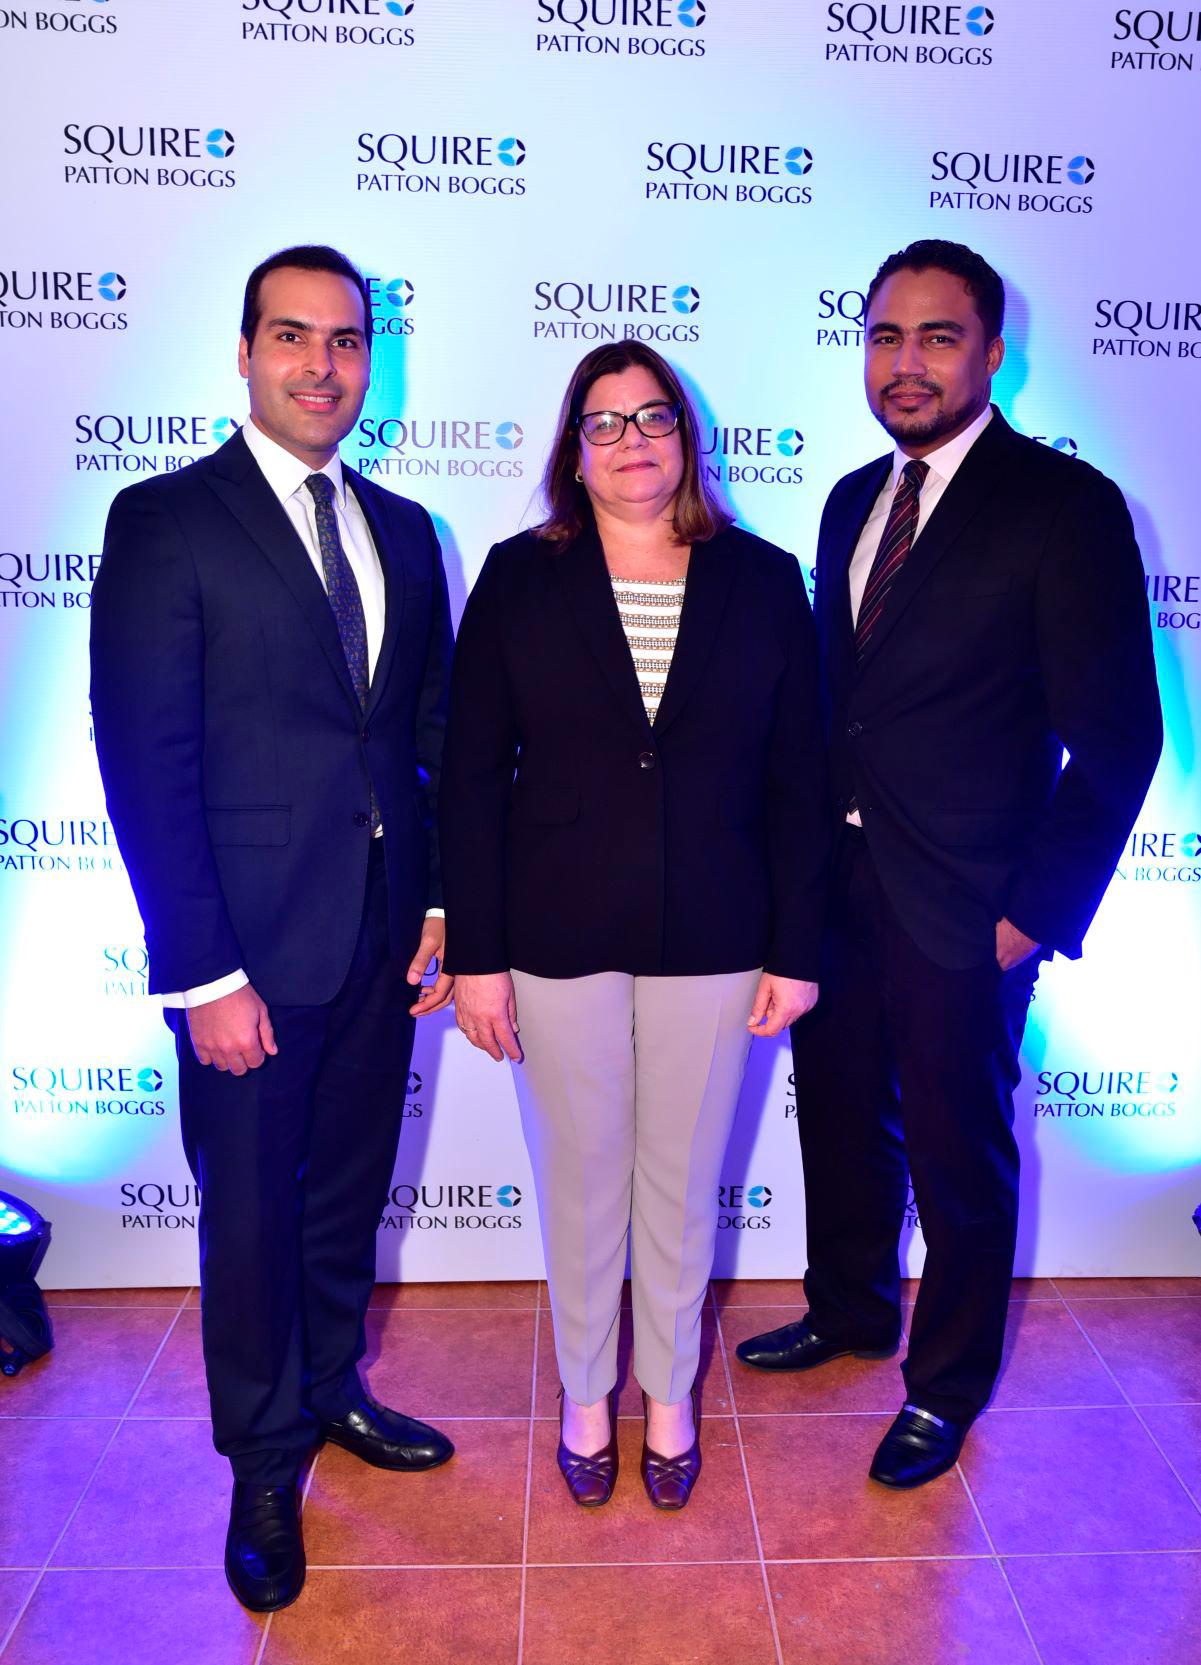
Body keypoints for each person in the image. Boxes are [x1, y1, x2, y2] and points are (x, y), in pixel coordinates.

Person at [737, 239, 1162, 1487]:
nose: (905, 363)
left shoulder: (1062, 505)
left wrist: (1034, 912)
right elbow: (839, 707)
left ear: (990, 352)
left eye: (934, 337)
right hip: (837, 890)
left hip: (970, 904)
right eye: (884, 337)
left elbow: (1122, 735)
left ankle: (944, 1383)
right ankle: (853, 1306)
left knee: (957, 1146)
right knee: (842, 1117)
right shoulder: (848, 500)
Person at [89, 245, 456, 1610]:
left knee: (346, 1193)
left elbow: (425, 731)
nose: (321, 364)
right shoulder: (166, 519)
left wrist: (433, 905)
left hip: (376, 945)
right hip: (245, 954)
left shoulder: (408, 529)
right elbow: (143, 756)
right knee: (247, 1214)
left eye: (346, 340)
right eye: (293, 337)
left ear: (372, 359)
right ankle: (261, 1459)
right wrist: (201, 972)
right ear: (243, 353)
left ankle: (331, 1388)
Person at [439, 342, 828, 1510]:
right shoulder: (519, 575)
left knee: (679, 1176)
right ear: (573, 448)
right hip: (551, 932)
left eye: (651, 417)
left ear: (686, 437)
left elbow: (800, 782)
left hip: (719, 930)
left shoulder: (762, 580)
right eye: (602, 423)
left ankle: (668, 1394)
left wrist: (797, 949)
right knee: (580, 1179)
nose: (630, 441)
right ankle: (582, 1390)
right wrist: (477, 958)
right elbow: (467, 776)